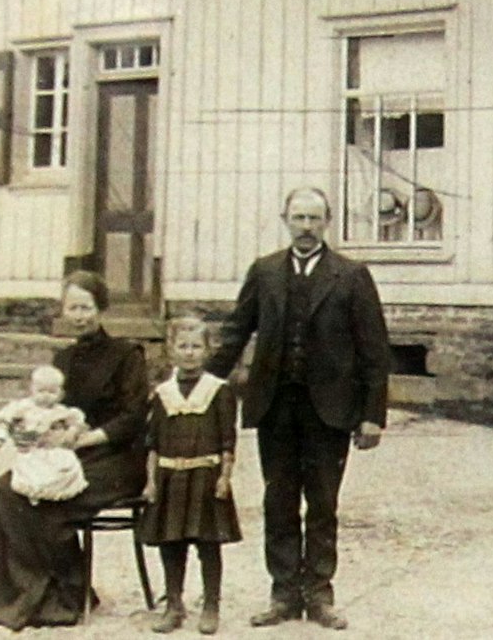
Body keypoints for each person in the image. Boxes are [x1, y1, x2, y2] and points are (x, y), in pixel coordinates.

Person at [210, 187, 393, 631]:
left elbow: (374, 350)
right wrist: (203, 386)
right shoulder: (265, 271)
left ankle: (320, 594)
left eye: (314, 219)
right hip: (276, 407)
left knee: (323, 502)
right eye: (298, 218)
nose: (306, 227)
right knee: (279, 501)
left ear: (327, 222)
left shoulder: (351, 276)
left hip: (329, 411)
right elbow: (236, 333)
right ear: (285, 219)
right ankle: (283, 593)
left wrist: (372, 414)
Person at [0, 272, 151, 629]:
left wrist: (84, 438)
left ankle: (64, 597)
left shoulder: (127, 355)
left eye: (86, 307)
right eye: (72, 308)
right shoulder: (61, 360)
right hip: (65, 455)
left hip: (116, 458)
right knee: (6, 489)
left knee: (51, 501)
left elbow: (134, 417)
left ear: (101, 308)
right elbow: (46, 410)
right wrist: (31, 435)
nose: (80, 316)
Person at [139, 317, 242, 635]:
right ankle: (173, 604)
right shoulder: (162, 394)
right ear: (171, 350)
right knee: (172, 543)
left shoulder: (218, 391)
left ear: (208, 351)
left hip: (205, 476)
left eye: (196, 346)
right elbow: (153, 443)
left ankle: (211, 604)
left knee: (208, 543)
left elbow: (228, 440)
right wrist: (151, 480)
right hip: (170, 476)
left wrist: (224, 477)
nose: (189, 353)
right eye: (182, 346)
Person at [0, 367, 90, 504]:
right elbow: (4, 420)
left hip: (54, 451)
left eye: (52, 392)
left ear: (60, 394)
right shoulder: (23, 407)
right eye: (41, 391)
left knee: (64, 469)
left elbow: (77, 422)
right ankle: (35, 493)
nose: (46, 395)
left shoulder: (61, 411)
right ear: (31, 389)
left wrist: (71, 431)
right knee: (33, 472)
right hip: (33, 450)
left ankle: (56, 495)